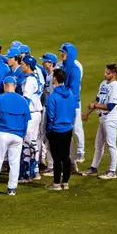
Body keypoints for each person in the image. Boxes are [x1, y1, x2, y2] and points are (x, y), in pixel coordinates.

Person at [0, 76, 31, 196]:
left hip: (2, 133)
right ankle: (12, 189)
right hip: (18, 135)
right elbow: (26, 120)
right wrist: (23, 134)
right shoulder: (23, 100)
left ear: (4, 86)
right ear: (15, 86)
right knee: (14, 162)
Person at [81, 63, 117, 180]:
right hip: (102, 118)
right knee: (98, 145)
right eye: (105, 72)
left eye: (108, 73)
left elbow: (110, 106)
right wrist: (87, 113)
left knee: (111, 145)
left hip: (111, 118)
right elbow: (98, 99)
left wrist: (94, 105)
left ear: (114, 74)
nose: (105, 74)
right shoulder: (103, 84)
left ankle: (112, 171)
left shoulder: (116, 87)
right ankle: (93, 168)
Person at [45, 69, 77, 190]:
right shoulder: (71, 94)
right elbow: (73, 113)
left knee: (56, 157)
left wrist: (48, 130)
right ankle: (65, 182)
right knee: (66, 155)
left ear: (54, 79)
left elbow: (51, 115)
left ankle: (56, 183)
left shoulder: (53, 96)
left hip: (56, 130)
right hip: (68, 129)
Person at [58, 43, 85, 171]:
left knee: (73, 131)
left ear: (70, 53)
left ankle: (76, 157)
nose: (61, 54)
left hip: (72, 105)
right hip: (64, 103)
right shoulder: (62, 66)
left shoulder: (75, 69)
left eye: (64, 52)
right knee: (65, 134)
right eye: (61, 51)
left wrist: (62, 98)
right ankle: (71, 163)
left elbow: (74, 92)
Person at [19, 55, 43, 182]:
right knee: (33, 142)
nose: (21, 65)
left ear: (28, 66)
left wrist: (22, 114)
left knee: (26, 143)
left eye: (22, 64)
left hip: (31, 114)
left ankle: (27, 173)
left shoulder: (29, 81)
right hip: (36, 113)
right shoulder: (35, 77)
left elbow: (26, 100)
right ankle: (35, 171)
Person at [39, 53, 58, 177]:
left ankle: (52, 167)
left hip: (51, 110)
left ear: (51, 63)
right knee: (46, 138)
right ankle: (50, 165)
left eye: (45, 61)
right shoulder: (48, 76)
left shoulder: (54, 77)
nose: (42, 63)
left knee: (50, 139)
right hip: (46, 108)